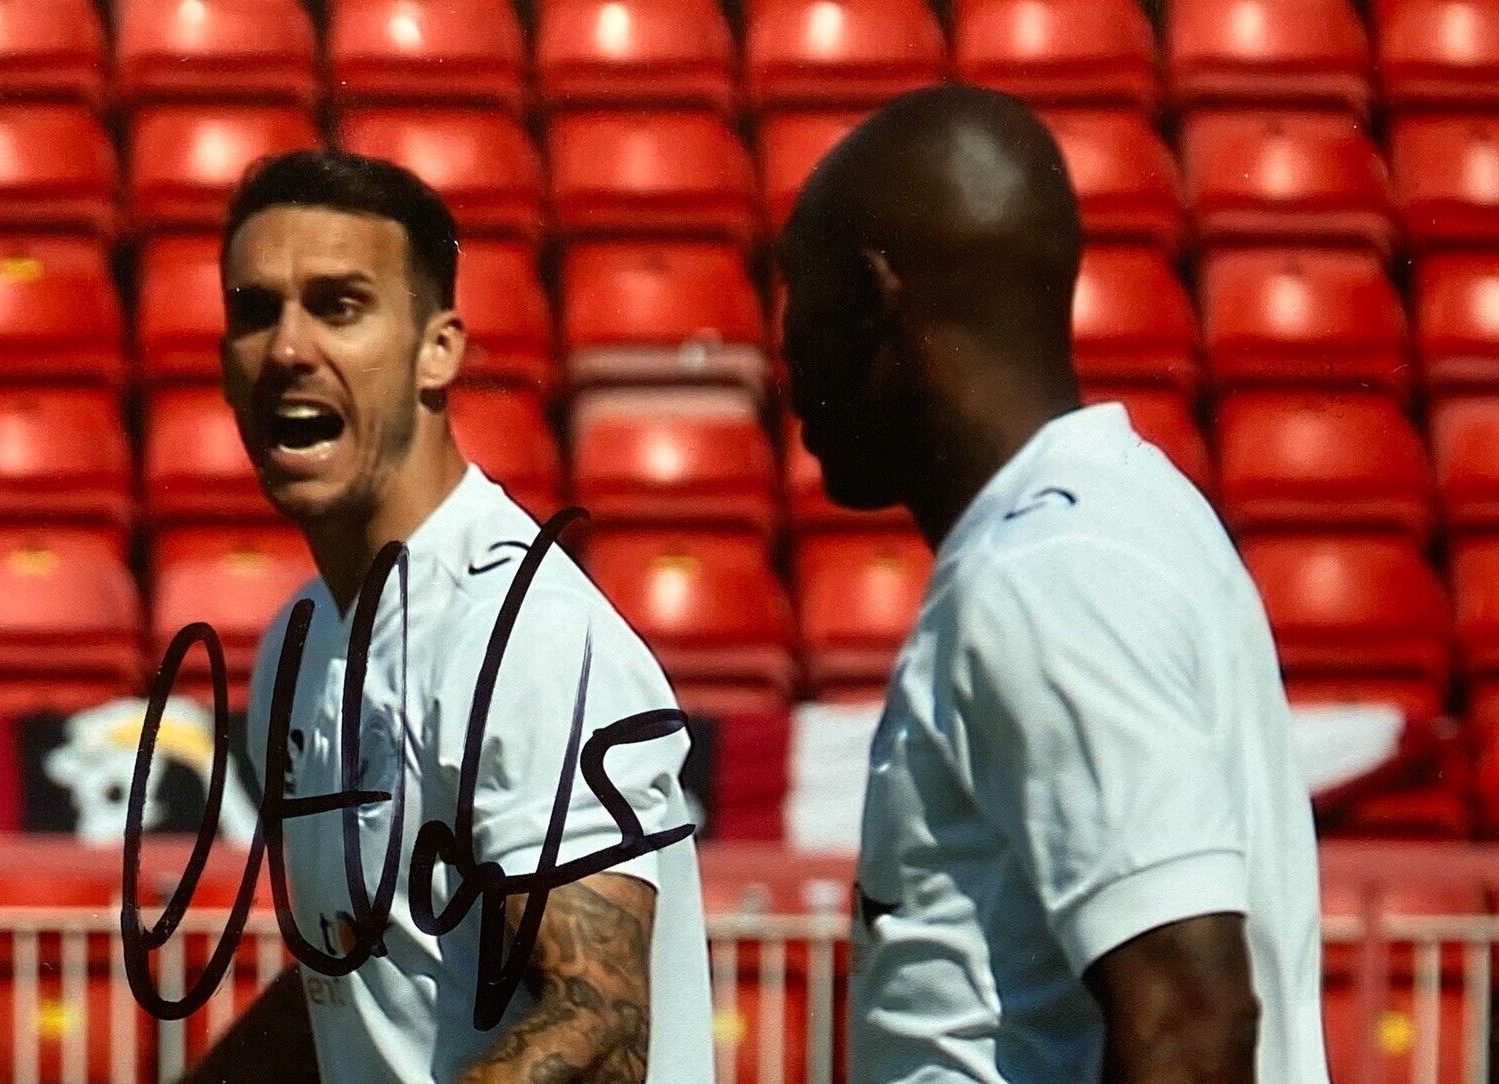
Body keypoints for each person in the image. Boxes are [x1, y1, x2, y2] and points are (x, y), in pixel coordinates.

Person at [778, 85, 1329, 1082]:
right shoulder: (1125, 514)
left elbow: (1189, 1021)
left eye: (795, 290)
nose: (783, 350)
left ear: (872, 295)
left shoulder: (1045, 571)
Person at [183, 149, 713, 1083]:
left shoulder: (522, 635)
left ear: (440, 350)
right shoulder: (299, 647)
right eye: (255, 311)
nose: (288, 348)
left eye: (339, 305)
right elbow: (358, 989)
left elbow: (600, 1032)